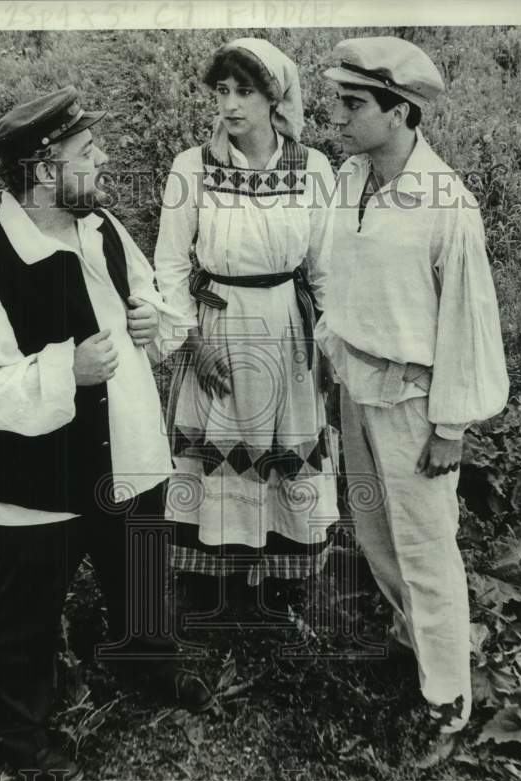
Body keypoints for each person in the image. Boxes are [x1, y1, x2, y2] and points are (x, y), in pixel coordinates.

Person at [0, 86, 213, 781]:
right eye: (89, 153)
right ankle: (19, 732)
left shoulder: (102, 229)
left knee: (138, 563)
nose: (106, 160)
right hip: (38, 472)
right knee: (26, 607)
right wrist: (68, 369)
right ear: (44, 167)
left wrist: (151, 325)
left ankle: (146, 659)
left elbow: (146, 300)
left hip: (125, 443)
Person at [317, 37, 509, 756]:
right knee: (375, 533)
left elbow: (467, 318)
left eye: (353, 103)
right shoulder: (349, 177)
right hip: (356, 387)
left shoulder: (446, 205)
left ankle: (447, 702)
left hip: (413, 401)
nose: (337, 114)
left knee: (428, 549)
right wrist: (328, 352)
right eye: (340, 99)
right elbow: (341, 276)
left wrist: (451, 424)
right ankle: (412, 646)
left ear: (400, 112)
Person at [152, 38, 340, 612]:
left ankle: (279, 583)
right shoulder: (193, 167)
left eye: (245, 91)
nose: (230, 105)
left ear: (274, 98)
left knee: (284, 445)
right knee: (219, 449)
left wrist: (330, 346)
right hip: (219, 326)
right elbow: (171, 263)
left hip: (285, 328)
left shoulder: (311, 169)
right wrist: (191, 341)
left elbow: (327, 267)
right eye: (222, 91)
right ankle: (213, 583)